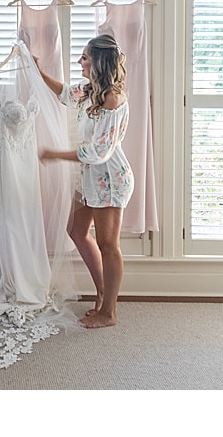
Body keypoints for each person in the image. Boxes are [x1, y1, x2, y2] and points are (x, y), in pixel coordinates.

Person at [37, 34, 134, 328]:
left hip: (110, 180)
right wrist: (38, 72)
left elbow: (98, 152)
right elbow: (65, 93)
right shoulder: (90, 90)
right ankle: (103, 293)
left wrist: (55, 154)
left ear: (99, 62)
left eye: (84, 57)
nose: (80, 62)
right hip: (91, 178)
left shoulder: (111, 99)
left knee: (108, 244)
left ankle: (109, 312)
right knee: (76, 230)